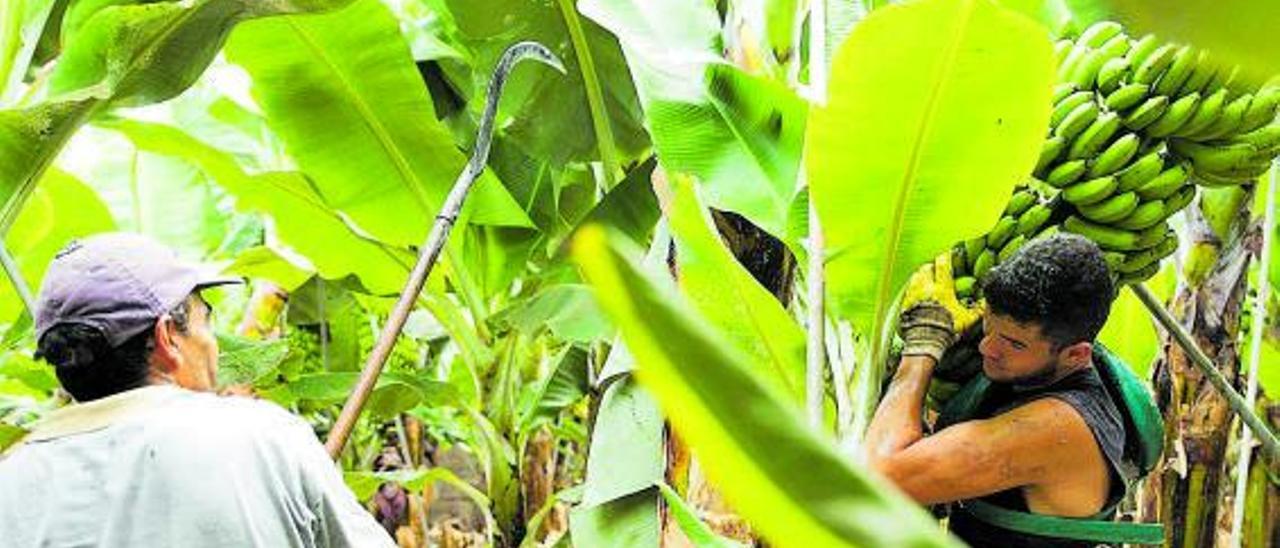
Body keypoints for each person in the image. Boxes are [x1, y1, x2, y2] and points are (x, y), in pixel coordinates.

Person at [0, 233, 393, 547]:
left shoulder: (11, 479)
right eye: (207, 319)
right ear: (168, 337)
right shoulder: (264, 438)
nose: (214, 342)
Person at [864, 233, 1158, 548]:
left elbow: (877, 478)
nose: (986, 347)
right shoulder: (1037, 367)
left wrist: (923, 346)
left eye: (1014, 343)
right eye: (989, 326)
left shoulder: (1057, 425)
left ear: (1076, 354)